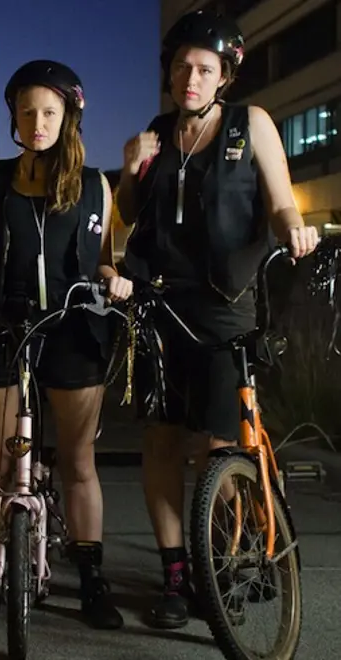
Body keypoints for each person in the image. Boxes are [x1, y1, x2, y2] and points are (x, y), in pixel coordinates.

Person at [115, 9, 319, 629]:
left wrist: (296, 230)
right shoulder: (156, 133)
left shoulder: (249, 124)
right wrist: (130, 167)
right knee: (160, 439)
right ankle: (177, 572)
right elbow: (127, 216)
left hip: (226, 305)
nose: (191, 79)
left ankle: (225, 559)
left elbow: (281, 202)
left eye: (204, 69)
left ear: (225, 75)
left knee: (218, 444)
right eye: (182, 67)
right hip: (160, 302)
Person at [0, 60, 130, 630]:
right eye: (27, 112)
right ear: (13, 116)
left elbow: (105, 260)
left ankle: (91, 579)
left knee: (78, 462)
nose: (37, 123)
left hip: (75, 331)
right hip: (4, 328)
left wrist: (115, 279)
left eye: (49, 112)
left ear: (68, 116)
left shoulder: (95, 185)